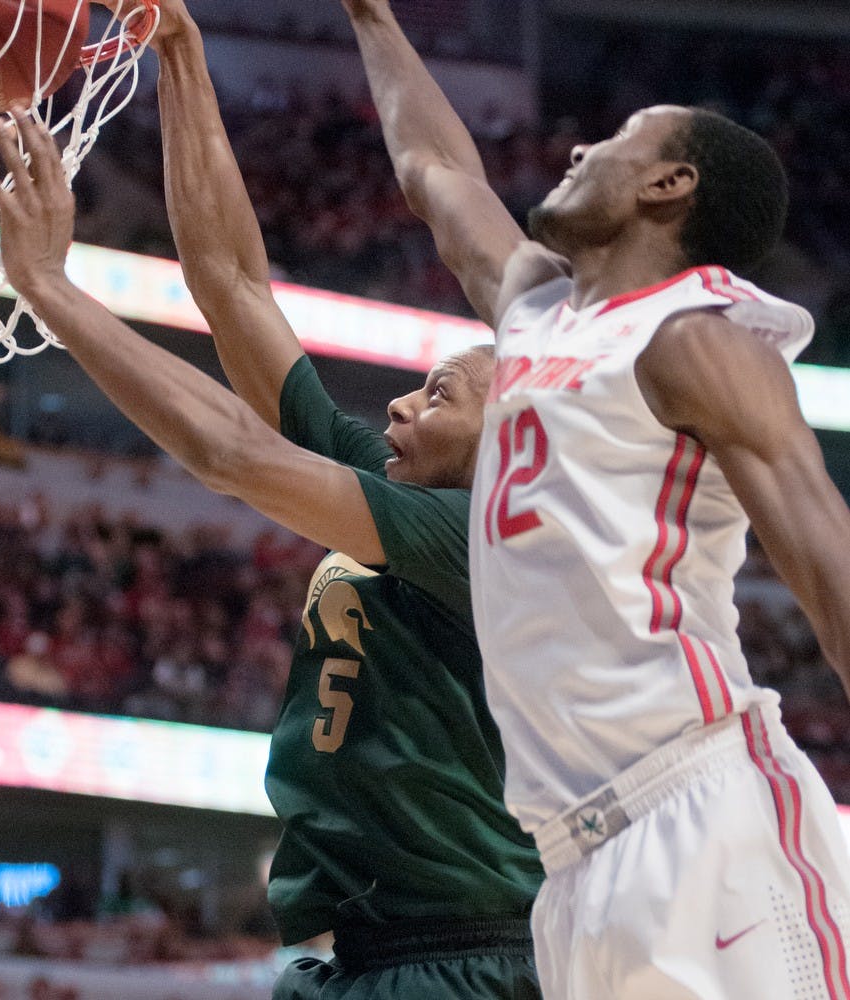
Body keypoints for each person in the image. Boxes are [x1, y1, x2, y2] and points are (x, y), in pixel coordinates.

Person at [0, 12, 545, 1000]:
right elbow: (233, 286)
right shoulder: (401, 493)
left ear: (508, 445)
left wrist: (51, 289)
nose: (402, 402)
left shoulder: (487, 539)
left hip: (460, 960)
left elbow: (228, 452)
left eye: (440, 393)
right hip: (374, 956)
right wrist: (180, 49)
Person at [340, 1, 850, 997]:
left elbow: (829, 562)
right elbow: (431, 174)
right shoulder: (534, 311)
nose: (577, 144)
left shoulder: (694, 340)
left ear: (668, 183)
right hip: (571, 865)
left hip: (700, 808)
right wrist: (369, 14)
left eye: (617, 140)